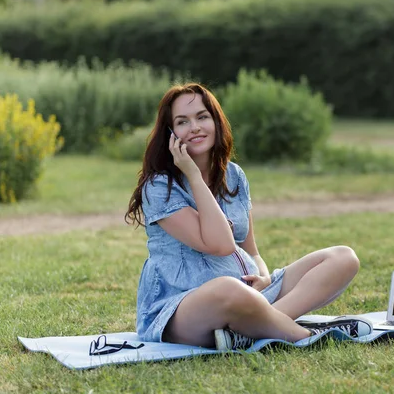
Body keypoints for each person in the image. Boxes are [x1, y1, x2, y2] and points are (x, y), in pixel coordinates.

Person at [125, 82, 372, 350]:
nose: (195, 127)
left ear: (217, 122)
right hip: (184, 306)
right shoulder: (160, 187)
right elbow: (221, 245)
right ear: (171, 134)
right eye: (182, 122)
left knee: (343, 257)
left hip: (253, 295)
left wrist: (264, 276)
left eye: (202, 117)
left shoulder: (234, 176)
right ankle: (306, 336)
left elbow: (250, 250)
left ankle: (257, 327)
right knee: (229, 290)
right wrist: (193, 175)